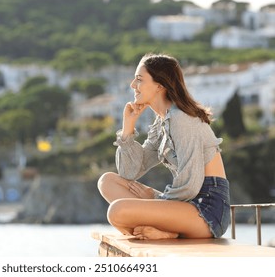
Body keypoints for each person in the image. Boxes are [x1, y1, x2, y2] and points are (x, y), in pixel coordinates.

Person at [97, 53, 231, 240]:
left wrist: (155, 197)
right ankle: (163, 232)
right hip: (183, 204)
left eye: (139, 80)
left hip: (205, 210)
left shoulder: (181, 119)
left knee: (117, 211)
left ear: (160, 85)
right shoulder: (161, 123)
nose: (133, 85)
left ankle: (170, 233)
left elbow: (190, 185)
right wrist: (127, 129)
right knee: (108, 182)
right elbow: (130, 172)